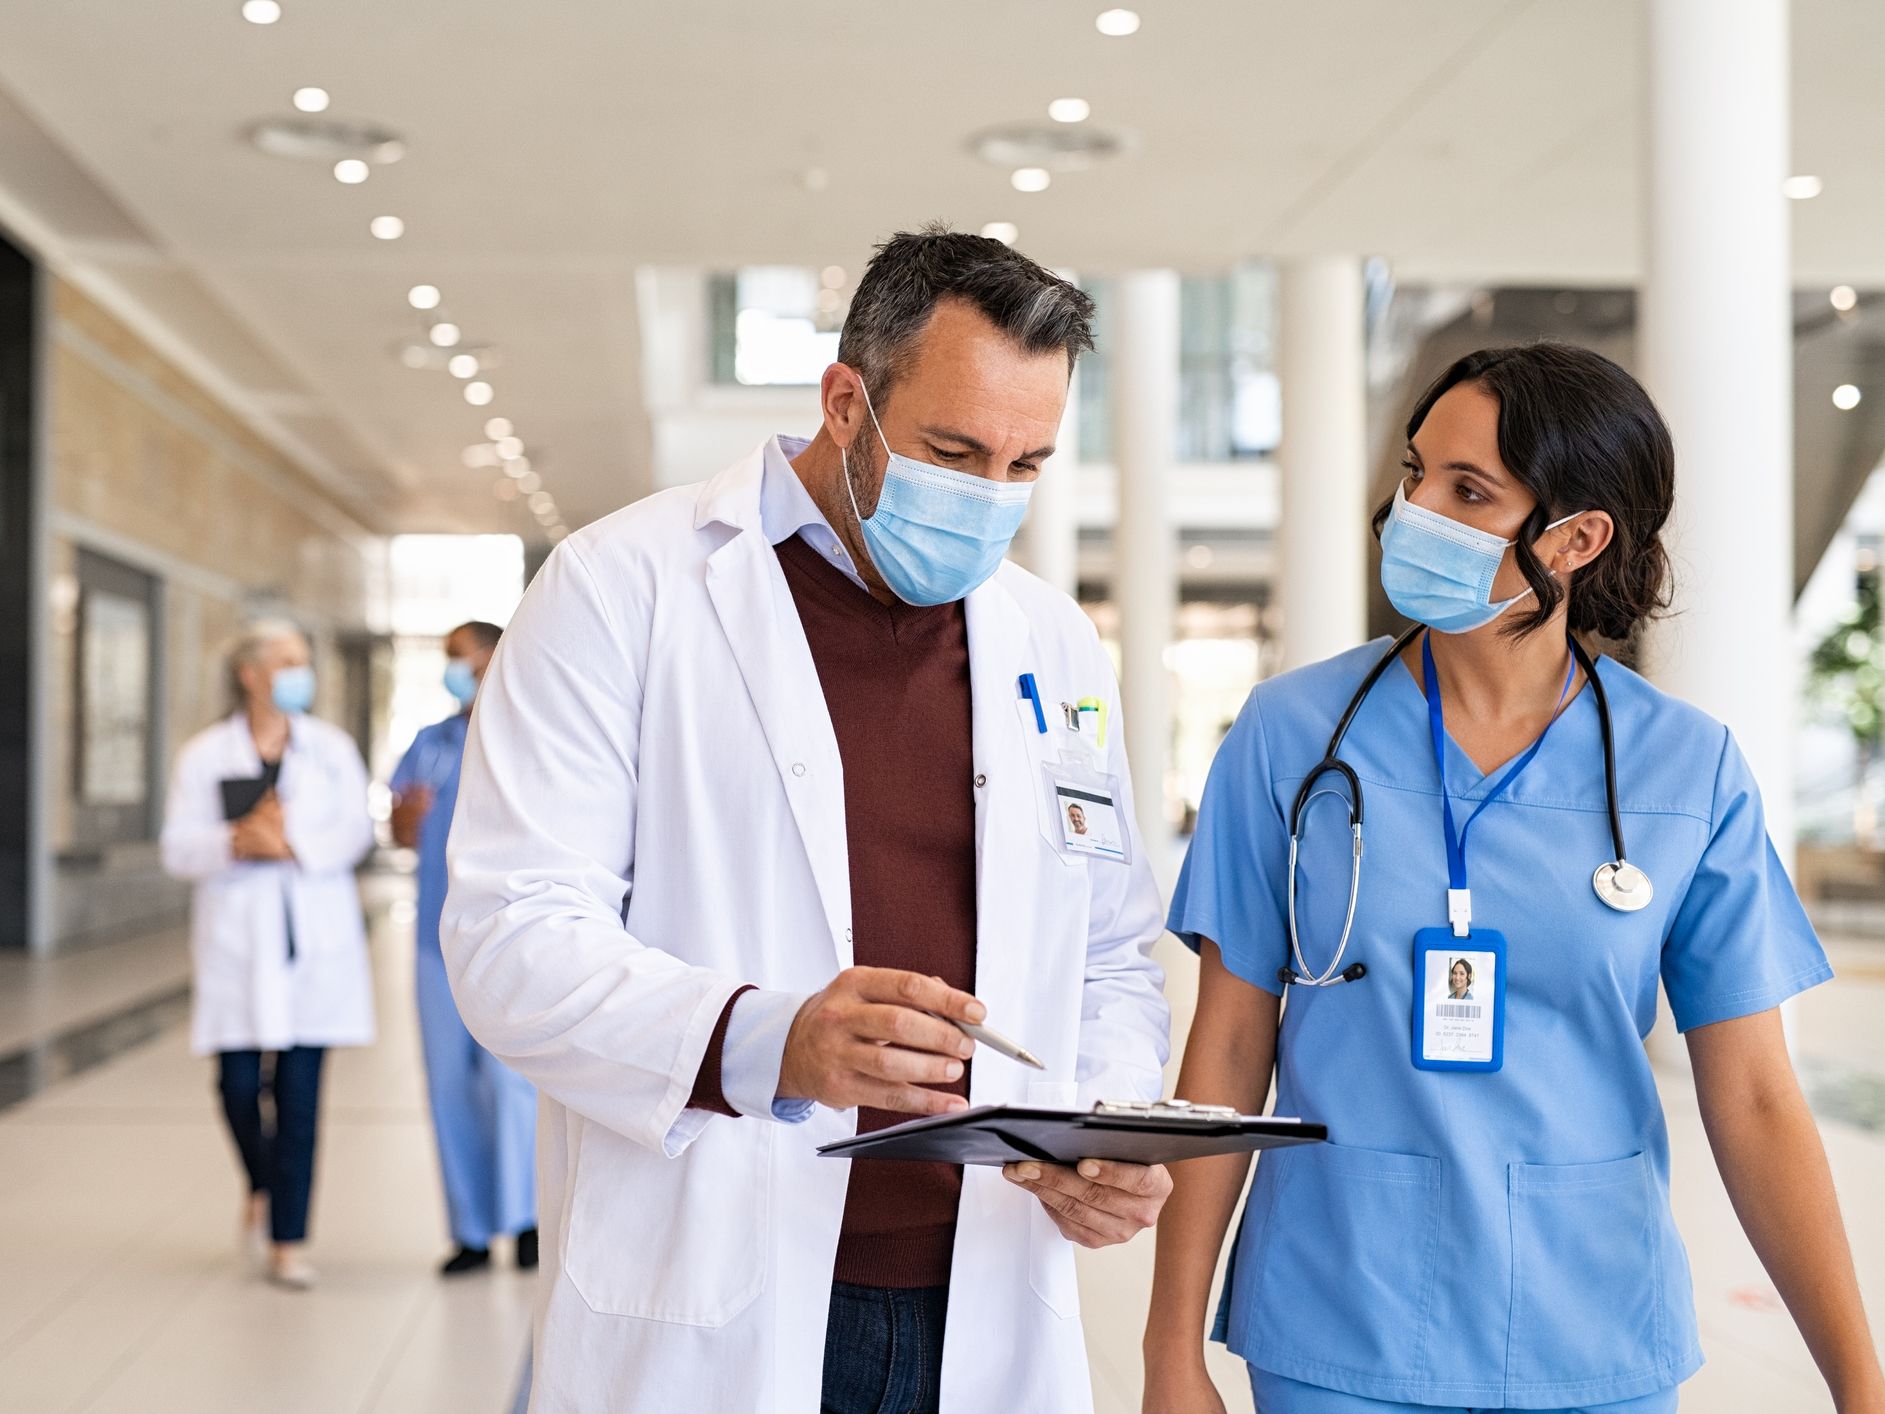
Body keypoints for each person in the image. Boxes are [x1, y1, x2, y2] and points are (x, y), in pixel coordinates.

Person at [443, 226, 1172, 1413]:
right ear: (846, 401)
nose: (989, 500)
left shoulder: (1051, 639)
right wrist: (763, 1038)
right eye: (953, 450)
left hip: (981, 1289)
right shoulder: (621, 588)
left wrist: (1103, 1128)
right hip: (720, 1285)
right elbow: (509, 935)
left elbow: (1107, 953)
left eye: (1025, 465)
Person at [1145, 344, 1885, 1414]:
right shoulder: (1292, 734)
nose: (1413, 511)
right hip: (1334, 1318)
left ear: (1579, 537)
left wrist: (1860, 1387)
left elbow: (1757, 1095)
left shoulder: (1684, 766)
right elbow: (1225, 1042)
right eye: (1415, 473)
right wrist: (1170, 1351)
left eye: (1468, 490)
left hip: (1591, 1328)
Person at [160, 620, 374, 1291]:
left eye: (302, 661)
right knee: (236, 1086)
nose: (296, 672)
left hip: (314, 945)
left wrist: (287, 844)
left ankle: (287, 1239)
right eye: (284, 661)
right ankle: (260, 1179)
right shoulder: (204, 755)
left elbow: (353, 832)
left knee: (302, 1099)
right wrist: (235, 840)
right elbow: (177, 848)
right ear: (250, 674)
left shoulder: (331, 750)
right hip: (239, 940)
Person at [390, 620, 538, 1277]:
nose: (454, 669)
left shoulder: (529, 733)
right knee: (449, 1084)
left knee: (516, 1085)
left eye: (461, 657)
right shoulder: (429, 744)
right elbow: (400, 829)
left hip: (512, 938)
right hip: (434, 941)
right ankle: (471, 1229)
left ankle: (528, 1219)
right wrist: (404, 821)